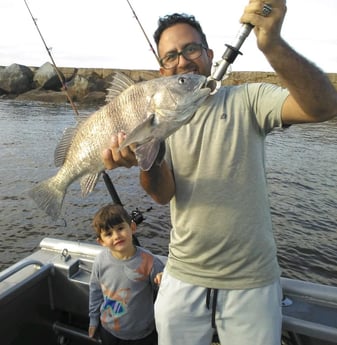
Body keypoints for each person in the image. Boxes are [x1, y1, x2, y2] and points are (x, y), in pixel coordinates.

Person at [102, 1, 337, 344]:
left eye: (191, 49)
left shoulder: (249, 100)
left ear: (210, 54)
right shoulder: (160, 120)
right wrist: (144, 155)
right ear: (162, 68)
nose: (182, 60)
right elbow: (161, 194)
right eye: (170, 56)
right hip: (182, 276)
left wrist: (271, 44)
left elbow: (323, 106)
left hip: (252, 281)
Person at [88, 203, 164, 345]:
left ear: (132, 228)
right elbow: (95, 291)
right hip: (108, 330)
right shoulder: (100, 261)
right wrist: (93, 320)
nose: (116, 236)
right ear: (101, 241)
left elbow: (164, 292)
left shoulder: (150, 262)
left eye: (120, 228)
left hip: (142, 335)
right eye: (108, 234)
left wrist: (163, 279)